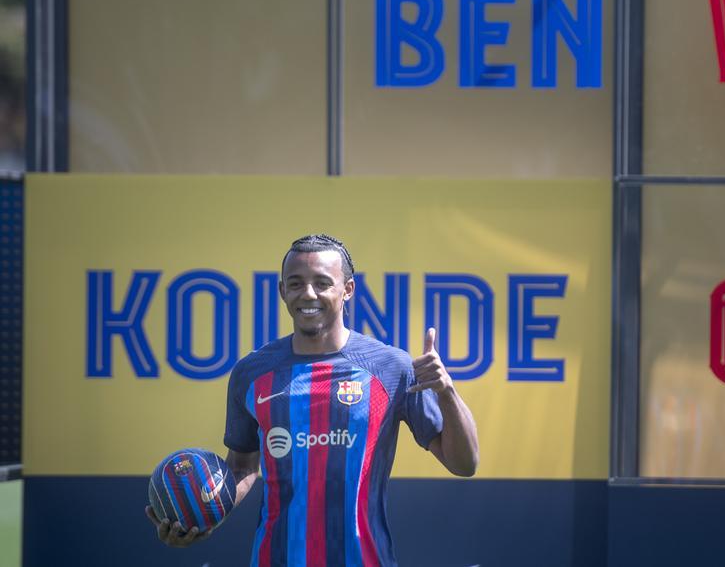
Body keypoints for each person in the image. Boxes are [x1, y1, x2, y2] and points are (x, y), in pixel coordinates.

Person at [145, 234, 479, 565]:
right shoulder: (251, 373)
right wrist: (203, 513)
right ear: (282, 291)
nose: (308, 294)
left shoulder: (391, 368)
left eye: (322, 283)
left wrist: (447, 391)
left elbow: (464, 463)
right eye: (296, 283)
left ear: (347, 290)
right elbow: (243, 465)